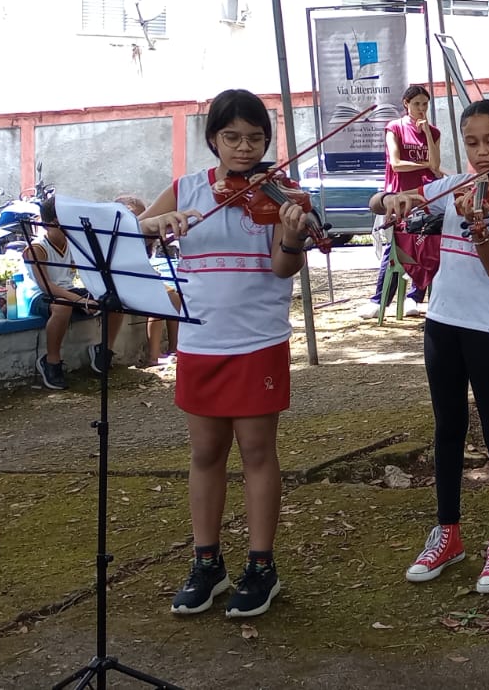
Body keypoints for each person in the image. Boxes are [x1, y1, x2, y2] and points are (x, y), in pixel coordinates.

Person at [137, 88, 313, 619]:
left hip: (257, 340)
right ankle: (206, 562)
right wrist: (159, 224)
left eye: (255, 138)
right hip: (199, 340)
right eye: (232, 137)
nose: (243, 148)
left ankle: (262, 566)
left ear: (267, 140)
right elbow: (134, 232)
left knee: (257, 453)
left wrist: (290, 237)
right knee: (205, 453)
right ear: (212, 138)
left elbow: (285, 270)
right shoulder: (186, 187)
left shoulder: (281, 194)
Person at [372, 99, 489, 595]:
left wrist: (478, 227)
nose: (483, 152)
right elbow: (381, 202)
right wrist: (392, 202)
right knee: (447, 428)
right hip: (442, 321)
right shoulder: (452, 187)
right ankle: (448, 533)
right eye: (472, 143)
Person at [24, 195, 127, 390]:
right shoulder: (38, 248)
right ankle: (51, 361)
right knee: (62, 308)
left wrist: (93, 295)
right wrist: (81, 301)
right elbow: (47, 286)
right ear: (55, 222)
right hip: (39, 296)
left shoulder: (74, 244)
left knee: (114, 300)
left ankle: (104, 350)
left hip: (69, 292)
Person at [361, 85, 443, 319]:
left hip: (424, 196)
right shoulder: (395, 128)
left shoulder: (434, 132)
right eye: (416, 104)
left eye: (425, 104)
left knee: (426, 242)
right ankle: (380, 300)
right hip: (398, 196)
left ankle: (415, 297)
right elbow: (396, 163)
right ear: (406, 104)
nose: (421, 109)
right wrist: (426, 165)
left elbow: (436, 164)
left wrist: (427, 133)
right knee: (395, 246)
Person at [115, 194, 181, 366]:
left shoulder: (145, 239)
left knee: (174, 297)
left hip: (140, 280)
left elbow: (143, 263)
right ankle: (154, 355)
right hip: (123, 283)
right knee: (158, 302)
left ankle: (175, 348)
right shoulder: (118, 238)